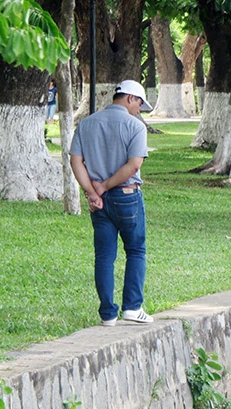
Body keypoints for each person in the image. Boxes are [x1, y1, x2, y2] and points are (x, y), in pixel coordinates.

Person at [70, 80, 154, 327]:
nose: (139, 110)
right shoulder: (135, 127)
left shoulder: (86, 124)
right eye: (139, 103)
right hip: (127, 196)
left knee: (104, 257)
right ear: (130, 98)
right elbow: (134, 164)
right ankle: (132, 307)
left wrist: (92, 192)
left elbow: (76, 161)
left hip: (100, 203)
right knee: (136, 251)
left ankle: (107, 314)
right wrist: (105, 186)